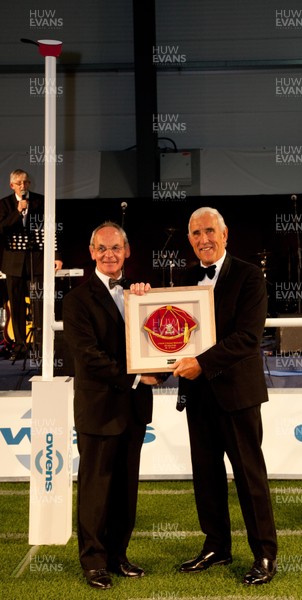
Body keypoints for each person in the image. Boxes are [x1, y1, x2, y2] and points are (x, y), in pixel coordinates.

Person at [171, 207, 278, 585]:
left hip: (237, 396)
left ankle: (265, 555)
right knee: (206, 476)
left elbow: (248, 338)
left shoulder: (250, 276)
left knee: (250, 477)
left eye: (210, 231)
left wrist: (201, 362)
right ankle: (217, 545)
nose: (204, 239)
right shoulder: (184, 278)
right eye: (197, 234)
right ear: (190, 240)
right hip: (198, 397)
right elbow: (168, 329)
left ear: (225, 233)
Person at [62, 221, 160, 590]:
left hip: (133, 410)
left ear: (127, 251)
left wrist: (161, 372)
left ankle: (119, 555)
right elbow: (89, 357)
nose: (109, 254)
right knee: (95, 490)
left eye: (115, 247)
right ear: (91, 253)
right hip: (99, 410)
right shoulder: (76, 300)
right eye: (101, 249)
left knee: (125, 489)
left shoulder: (141, 295)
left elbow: (160, 342)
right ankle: (93, 562)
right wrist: (137, 378)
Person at [0, 169, 62, 359]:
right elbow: (2, 229)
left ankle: (42, 345)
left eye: (26, 182)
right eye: (19, 183)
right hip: (13, 262)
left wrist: (56, 255)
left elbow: (51, 229)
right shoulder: (4, 204)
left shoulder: (40, 201)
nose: (23, 186)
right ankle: (20, 346)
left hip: (37, 260)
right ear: (12, 186)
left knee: (40, 302)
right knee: (16, 304)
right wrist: (17, 211)